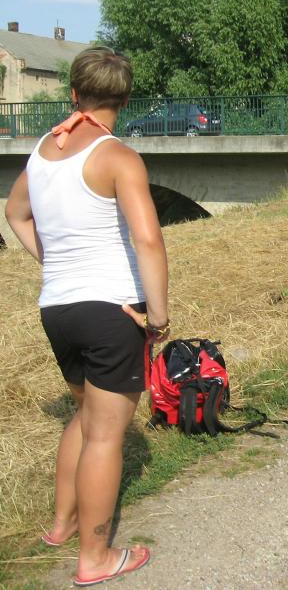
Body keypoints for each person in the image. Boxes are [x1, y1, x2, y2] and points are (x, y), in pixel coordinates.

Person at [4, 47, 168, 586]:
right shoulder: (118, 157)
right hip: (111, 309)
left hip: (58, 308)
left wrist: (54, 263)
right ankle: (96, 557)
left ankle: (62, 525)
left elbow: (15, 213)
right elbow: (148, 239)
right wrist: (158, 318)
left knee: (82, 417)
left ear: (74, 93)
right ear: (125, 99)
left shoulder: (42, 151)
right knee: (104, 436)